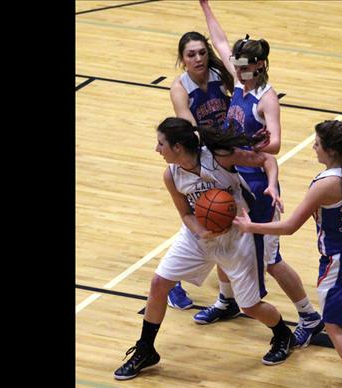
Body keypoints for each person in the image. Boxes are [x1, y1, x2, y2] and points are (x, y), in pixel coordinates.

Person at [113, 117, 295, 380]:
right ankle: (145, 349)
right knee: (158, 283)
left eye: (160, 143)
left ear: (177, 147)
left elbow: (266, 159)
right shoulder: (171, 175)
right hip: (197, 235)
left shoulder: (219, 157)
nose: (157, 149)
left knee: (250, 306)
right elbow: (186, 214)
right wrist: (200, 231)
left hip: (237, 235)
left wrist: (271, 184)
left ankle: (283, 334)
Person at [196, 0, 324, 349]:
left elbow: (278, 142)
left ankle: (309, 316)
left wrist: (264, 143)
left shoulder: (267, 98)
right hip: (234, 180)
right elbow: (220, 42)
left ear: (260, 66)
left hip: (259, 186)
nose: (236, 71)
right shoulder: (240, 82)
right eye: (235, 66)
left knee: (270, 260)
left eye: (243, 67)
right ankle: (228, 300)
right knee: (223, 236)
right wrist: (205, 6)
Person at [233, 120, 342, 388]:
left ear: (331, 151)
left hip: (340, 258)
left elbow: (290, 226)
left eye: (317, 144)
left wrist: (251, 227)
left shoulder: (326, 184)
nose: (313, 148)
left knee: (332, 323)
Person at [166, 31, 234, 310]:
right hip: (199, 154)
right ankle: (172, 283)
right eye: (191, 54)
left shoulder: (220, 74)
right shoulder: (180, 88)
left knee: (224, 213)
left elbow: (241, 89)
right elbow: (191, 130)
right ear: (182, 60)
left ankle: (229, 285)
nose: (198, 58)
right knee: (200, 216)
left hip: (223, 152)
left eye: (202, 52)